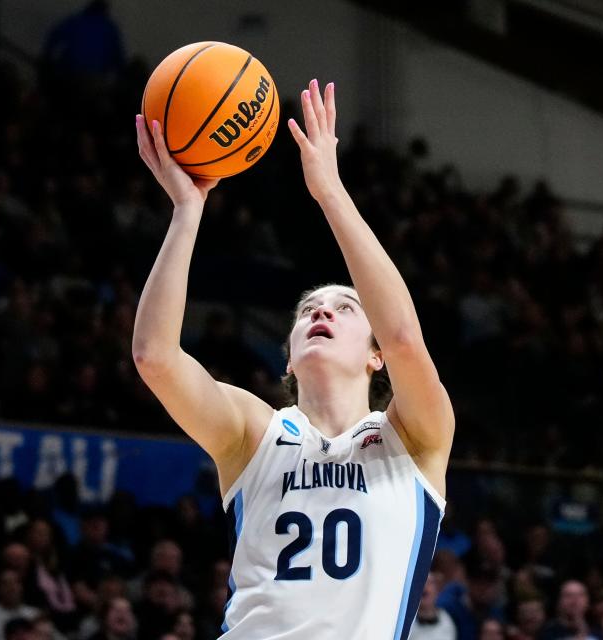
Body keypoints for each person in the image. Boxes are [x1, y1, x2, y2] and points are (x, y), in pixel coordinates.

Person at [133, 78, 455, 638]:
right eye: (308, 310)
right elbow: (154, 357)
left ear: (376, 356)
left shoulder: (417, 438)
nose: (320, 314)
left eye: (343, 308)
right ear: (287, 359)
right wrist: (188, 209)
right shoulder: (253, 433)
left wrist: (330, 191)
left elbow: (405, 335)